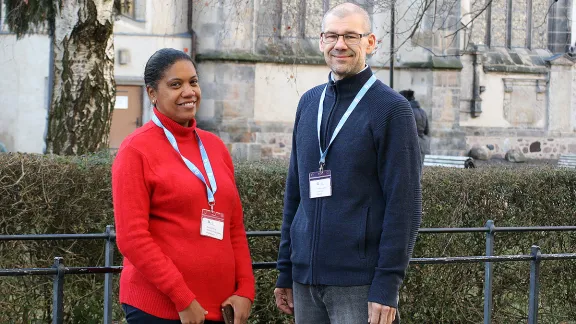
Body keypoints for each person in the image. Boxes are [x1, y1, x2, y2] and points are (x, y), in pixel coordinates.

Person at [274, 3, 422, 324]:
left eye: (351, 36)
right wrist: (285, 269)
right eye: (332, 36)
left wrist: (387, 284)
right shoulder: (308, 102)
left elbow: (405, 204)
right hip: (305, 280)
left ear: (370, 43)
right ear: (321, 40)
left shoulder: (392, 110)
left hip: (359, 283)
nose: (340, 44)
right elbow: (294, 194)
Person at [112, 48, 255, 324]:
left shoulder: (214, 147)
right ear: (152, 93)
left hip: (222, 308)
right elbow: (132, 238)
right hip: (162, 309)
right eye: (175, 85)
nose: (189, 91)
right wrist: (181, 297)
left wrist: (245, 290)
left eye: (193, 81)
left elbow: (234, 227)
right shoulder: (136, 150)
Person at [400, 89, 430, 169]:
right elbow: (427, 131)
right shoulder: (423, 112)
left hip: (410, 145)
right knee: (419, 171)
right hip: (422, 145)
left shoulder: (407, 111)